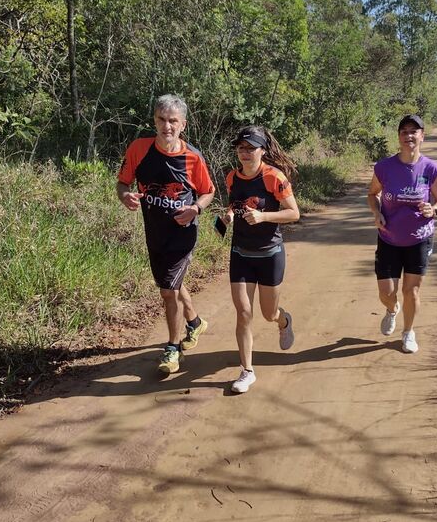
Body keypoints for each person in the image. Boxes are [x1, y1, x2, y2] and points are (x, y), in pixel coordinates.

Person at [117, 94, 215, 374]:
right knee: (172, 282)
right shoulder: (138, 148)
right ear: (154, 121)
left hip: (183, 233)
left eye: (173, 121)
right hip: (155, 231)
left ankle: (172, 348)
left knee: (167, 291)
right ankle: (195, 322)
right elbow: (122, 183)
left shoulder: (192, 157)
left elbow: (208, 191)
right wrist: (125, 196)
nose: (167, 126)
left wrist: (196, 208)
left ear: (183, 124)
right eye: (162, 119)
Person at [221, 125, 300, 393]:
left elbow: (293, 213)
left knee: (268, 313)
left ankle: (284, 320)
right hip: (241, 253)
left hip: (270, 254)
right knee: (244, 313)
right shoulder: (232, 177)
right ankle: (247, 371)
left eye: (250, 148)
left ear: (262, 150)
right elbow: (235, 202)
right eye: (241, 148)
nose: (245, 153)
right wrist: (229, 215)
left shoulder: (273, 177)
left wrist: (264, 216)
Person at [367, 114, 437, 353]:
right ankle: (392, 309)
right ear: (399, 137)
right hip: (389, 238)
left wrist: (433, 209)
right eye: (404, 131)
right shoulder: (384, 167)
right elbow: (372, 194)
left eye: (414, 131)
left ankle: (408, 332)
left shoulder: (431, 169)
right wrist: (377, 213)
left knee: (411, 290)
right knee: (387, 292)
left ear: (422, 136)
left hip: (419, 239)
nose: (409, 135)